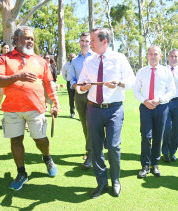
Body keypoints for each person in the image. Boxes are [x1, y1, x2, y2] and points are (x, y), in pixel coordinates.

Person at [0, 26, 60, 191]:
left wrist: (55, 102)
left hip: (36, 107)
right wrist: (17, 76)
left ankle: (47, 157)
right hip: (12, 109)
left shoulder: (41, 61)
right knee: (16, 140)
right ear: (16, 39)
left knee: (40, 140)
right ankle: (21, 173)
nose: (30, 41)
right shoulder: (4, 59)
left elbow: (49, 83)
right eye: (26, 38)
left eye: (32, 38)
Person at [78, 27, 135, 198]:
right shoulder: (89, 61)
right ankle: (101, 183)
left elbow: (131, 80)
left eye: (93, 41)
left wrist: (119, 82)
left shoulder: (119, 59)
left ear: (105, 42)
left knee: (113, 147)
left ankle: (115, 181)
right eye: (89, 41)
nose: (90, 44)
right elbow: (80, 87)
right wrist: (84, 86)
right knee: (96, 149)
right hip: (93, 109)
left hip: (115, 109)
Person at [133, 46, 176, 178]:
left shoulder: (166, 72)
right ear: (147, 56)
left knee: (158, 136)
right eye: (150, 54)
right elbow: (136, 91)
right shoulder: (141, 71)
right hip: (145, 108)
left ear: (160, 56)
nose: (153, 56)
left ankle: (155, 164)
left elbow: (172, 91)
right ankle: (145, 165)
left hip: (162, 107)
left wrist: (160, 99)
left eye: (155, 54)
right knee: (146, 136)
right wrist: (144, 100)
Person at [70, 32, 93, 168]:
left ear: (90, 43)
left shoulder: (95, 58)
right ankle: (90, 150)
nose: (84, 43)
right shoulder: (75, 61)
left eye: (87, 41)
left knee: (92, 124)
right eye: (82, 41)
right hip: (79, 95)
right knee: (85, 124)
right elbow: (72, 78)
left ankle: (91, 153)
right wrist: (76, 87)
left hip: (93, 94)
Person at [0, 43, 10, 114]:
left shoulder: (11, 57)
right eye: (5, 48)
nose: (6, 49)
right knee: (1, 93)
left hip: (9, 78)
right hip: (0, 77)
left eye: (7, 48)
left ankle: (8, 108)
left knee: (9, 94)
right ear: (2, 48)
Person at [61, 53, 76, 118]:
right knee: (71, 98)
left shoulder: (77, 64)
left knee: (79, 98)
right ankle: (72, 112)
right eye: (71, 57)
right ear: (69, 58)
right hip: (70, 83)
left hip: (78, 83)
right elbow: (64, 75)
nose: (72, 58)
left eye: (73, 57)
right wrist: (68, 80)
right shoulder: (66, 65)